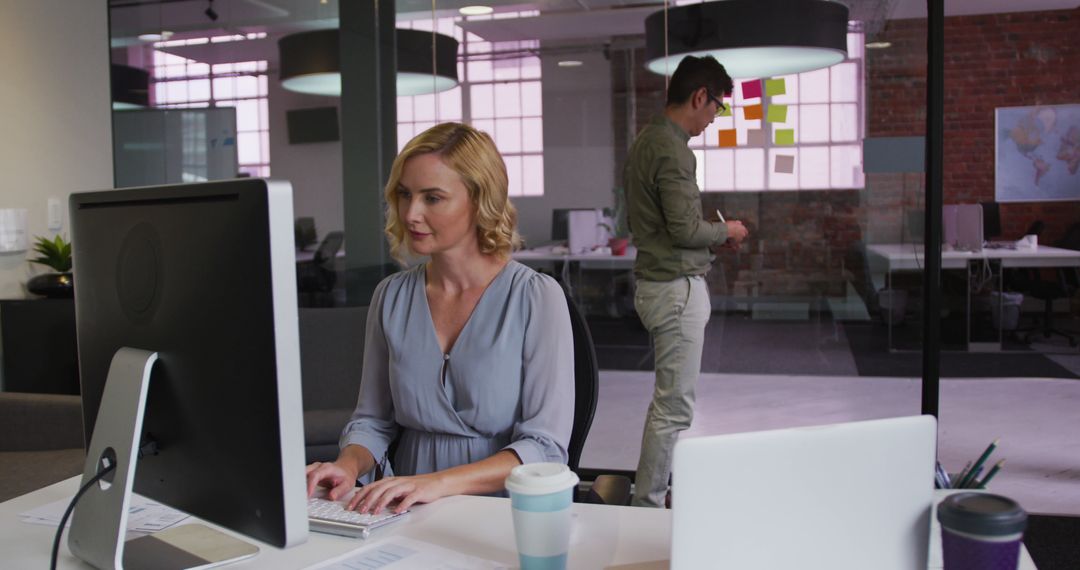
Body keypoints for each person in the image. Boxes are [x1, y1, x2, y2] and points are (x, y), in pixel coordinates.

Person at [306, 122, 574, 515]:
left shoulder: (535, 297)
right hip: (405, 507)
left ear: (480, 201)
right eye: (404, 194)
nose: (411, 213)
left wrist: (436, 485)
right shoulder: (391, 297)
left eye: (433, 198)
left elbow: (545, 447)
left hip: (506, 511)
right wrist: (347, 466)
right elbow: (372, 422)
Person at [624, 55, 749, 508]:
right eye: (717, 107)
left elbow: (670, 228)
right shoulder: (673, 149)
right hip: (674, 289)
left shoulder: (647, 141)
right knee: (673, 407)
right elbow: (684, 230)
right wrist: (727, 231)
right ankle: (648, 506)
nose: (714, 118)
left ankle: (651, 495)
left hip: (661, 282)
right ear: (700, 97)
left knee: (668, 403)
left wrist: (711, 240)